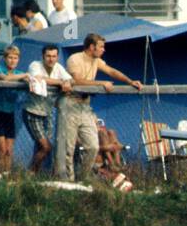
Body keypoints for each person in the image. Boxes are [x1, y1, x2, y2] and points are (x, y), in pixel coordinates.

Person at [57, 33, 141, 183]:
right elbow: (76, 81)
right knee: (67, 148)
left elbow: (112, 71)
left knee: (93, 146)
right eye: (101, 47)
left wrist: (130, 81)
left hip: (85, 105)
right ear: (91, 47)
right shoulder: (75, 59)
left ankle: (83, 179)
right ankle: (67, 182)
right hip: (70, 103)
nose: (104, 50)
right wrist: (101, 83)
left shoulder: (97, 61)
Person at [24, 44, 72, 172]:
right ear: (43, 56)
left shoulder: (58, 67)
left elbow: (69, 79)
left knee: (43, 146)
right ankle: (31, 172)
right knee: (46, 147)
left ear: (57, 57)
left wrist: (66, 82)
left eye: (54, 56)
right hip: (33, 111)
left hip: (48, 112)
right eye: (48, 56)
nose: (51, 59)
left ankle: (36, 175)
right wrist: (60, 82)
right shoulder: (35, 65)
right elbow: (38, 78)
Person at [0, 44, 28, 175]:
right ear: (5, 58)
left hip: (9, 114)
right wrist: (24, 75)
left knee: (9, 150)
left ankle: (6, 175)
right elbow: (5, 78)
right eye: (10, 58)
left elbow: (27, 78)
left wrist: (26, 77)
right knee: (1, 148)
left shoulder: (18, 73)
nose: (12, 61)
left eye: (15, 58)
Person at [94, 116, 132, 192]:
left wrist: (109, 147)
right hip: (99, 156)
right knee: (102, 133)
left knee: (111, 132)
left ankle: (115, 164)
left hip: (106, 155)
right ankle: (115, 164)